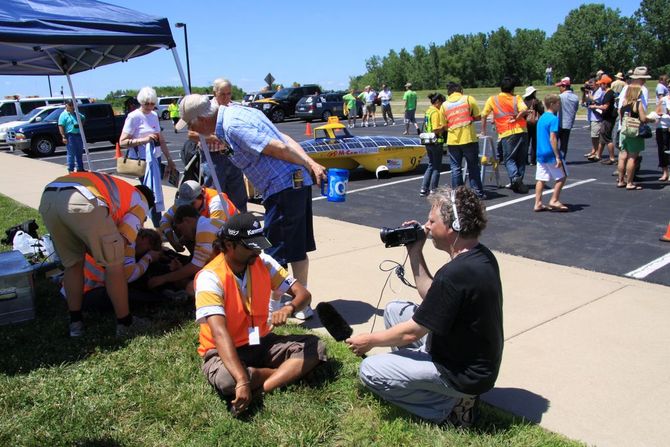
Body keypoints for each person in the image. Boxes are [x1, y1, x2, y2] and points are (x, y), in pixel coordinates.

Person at [346, 186, 503, 427]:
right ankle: (428, 381)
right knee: (395, 310)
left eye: (431, 221)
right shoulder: (480, 256)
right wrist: (415, 251)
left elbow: (412, 331)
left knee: (370, 370)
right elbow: (433, 295)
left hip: (463, 373)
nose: (426, 226)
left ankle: (448, 409)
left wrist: (370, 340)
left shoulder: (456, 273)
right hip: (465, 355)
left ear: (453, 228)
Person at [177, 93, 327, 320]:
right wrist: (308, 165)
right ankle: (302, 304)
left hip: (283, 187)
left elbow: (278, 146)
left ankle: (271, 310)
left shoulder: (233, 126)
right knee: (296, 247)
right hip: (294, 184)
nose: (192, 129)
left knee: (274, 252)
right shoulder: (237, 112)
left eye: (191, 124)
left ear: (201, 119)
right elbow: (284, 136)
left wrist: (310, 163)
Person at [194, 213, 327, 416]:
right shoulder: (209, 278)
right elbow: (219, 334)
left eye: (259, 245)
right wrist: (239, 380)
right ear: (229, 245)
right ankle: (281, 374)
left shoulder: (262, 262)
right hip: (223, 350)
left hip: (261, 341)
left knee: (315, 346)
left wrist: (289, 308)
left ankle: (260, 388)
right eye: (251, 246)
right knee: (226, 380)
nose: (257, 251)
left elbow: (304, 294)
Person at [38, 172, 155, 337]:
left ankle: (76, 324)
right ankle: (125, 323)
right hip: (84, 199)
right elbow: (120, 245)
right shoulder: (141, 202)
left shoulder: (123, 192)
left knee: (72, 264)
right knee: (114, 263)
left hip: (50, 196)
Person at [119, 87, 176, 227]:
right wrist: (143, 140)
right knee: (150, 193)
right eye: (147, 104)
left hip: (155, 158)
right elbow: (122, 142)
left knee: (154, 191)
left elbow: (160, 139)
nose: (150, 107)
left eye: (152, 104)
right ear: (141, 102)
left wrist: (169, 159)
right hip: (142, 161)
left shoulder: (154, 115)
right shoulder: (133, 117)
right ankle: (155, 225)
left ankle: (154, 224)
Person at [197, 78, 248, 213]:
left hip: (232, 155)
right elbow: (193, 134)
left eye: (229, 94)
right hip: (213, 157)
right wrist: (214, 137)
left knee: (238, 191)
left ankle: (240, 220)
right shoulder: (205, 110)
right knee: (214, 191)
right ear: (215, 93)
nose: (226, 97)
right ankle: (216, 220)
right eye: (222, 94)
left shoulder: (235, 108)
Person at [147, 205, 225, 293]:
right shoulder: (207, 223)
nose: (182, 235)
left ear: (186, 220)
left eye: (180, 230)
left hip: (232, 274)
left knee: (191, 287)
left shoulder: (204, 230)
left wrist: (163, 278)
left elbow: (195, 267)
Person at [480, 77, 531, 193]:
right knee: (521, 159)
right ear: (512, 89)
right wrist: (517, 117)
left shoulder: (493, 99)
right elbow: (524, 110)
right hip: (522, 131)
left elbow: (483, 115)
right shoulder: (516, 98)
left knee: (509, 159)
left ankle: (515, 178)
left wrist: (483, 131)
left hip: (507, 132)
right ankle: (518, 182)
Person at [159, 180, 238, 252]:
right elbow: (165, 220)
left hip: (231, 237)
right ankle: (196, 257)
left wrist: (187, 236)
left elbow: (213, 233)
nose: (188, 207)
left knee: (190, 226)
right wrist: (172, 241)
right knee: (179, 221)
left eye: (191, 204)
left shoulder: (216, 202)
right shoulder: (186, 201)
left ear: (202, 196)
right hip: (211, 232)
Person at [441, 82, 485, 198]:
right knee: (473, 167)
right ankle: (477, 194)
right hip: (468, 138)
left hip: (453, 140)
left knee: (455, 168)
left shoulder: (444, 105)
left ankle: (457, 196)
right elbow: (478, 116)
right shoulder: (468, 99)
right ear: (460, 90)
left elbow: (444, 125)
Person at [534, 94, 568, 212]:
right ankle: (554, 199)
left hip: (540, 153)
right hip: (550, 153)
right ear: (552, 104)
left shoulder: (542, 117)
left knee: (541, 178)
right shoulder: (554, 119)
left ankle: (538, 203)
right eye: (558, 103)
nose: (559, 106)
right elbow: (552, 138)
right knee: (562, 177)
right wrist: (557, 156)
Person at [618, 84, 651, 190]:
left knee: (622, 156)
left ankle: (621, 180)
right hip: (634, 132)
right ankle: (629, 182)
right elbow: (643, 118)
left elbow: (620, 116)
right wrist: (651, 119)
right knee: (632, 157)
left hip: (624, 132)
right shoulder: (637, 104)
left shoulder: (623, 103)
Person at [420, 93, 446, 197]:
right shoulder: (436, 112)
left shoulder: (428, 111)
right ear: (438, 102)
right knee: (436, 167)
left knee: (430, 165)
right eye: (442, 103)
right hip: (436, 141)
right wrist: (444, 127)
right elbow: (435, 129)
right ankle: (433, 189)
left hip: (428, 141)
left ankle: (424, 188)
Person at [590, 75, 617, 165]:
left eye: (601, 84)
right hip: (606, 118)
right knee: (602, 136)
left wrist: (595, 106)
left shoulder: (609, 94)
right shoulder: (608, 93)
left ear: (605, 84)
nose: (600, 86)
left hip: (608, 118)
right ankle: (598, 155)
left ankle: (612, 157)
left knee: (607, 138)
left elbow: (605, 107)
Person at [58, 100, 86, 173]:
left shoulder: (76, 113)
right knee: (71, 153)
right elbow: (61, 126)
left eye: (72, 105)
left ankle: (80, 168)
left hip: (78, 134)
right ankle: (71, 169)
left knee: (79, 152)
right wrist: (63, 136)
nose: (71, 106)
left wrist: (81, 125)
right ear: (66, 105)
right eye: (69, 105)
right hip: (70, 135)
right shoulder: (63, 115)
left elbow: (83, 118)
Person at [555, 77, 579, 160]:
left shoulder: (560, 97)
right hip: (568, 123)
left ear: (564, 87)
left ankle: (555, 159)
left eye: (560, 87)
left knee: (554, 142)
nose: (559, 89)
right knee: (564, 144)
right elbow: (575, 109)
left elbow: (555, 109)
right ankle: (562, 160)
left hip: (559, 122)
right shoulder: (575, 97)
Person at [522, 86, 544, 166]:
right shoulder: (536, 101)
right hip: (534, 124)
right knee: (534, 142)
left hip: (525, 123)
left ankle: (524, 159)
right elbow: (542, 111)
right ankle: (533, 160)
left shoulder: (523, 102)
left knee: (526, 142)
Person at [584, 78, 605, 161]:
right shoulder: (592, 91)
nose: (590, 85)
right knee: (593, 136)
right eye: (589, 84)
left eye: (591, 83)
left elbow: (594, 100)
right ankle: (594, 150)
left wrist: (588, 93)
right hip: (591, 116)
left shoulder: (599, 91)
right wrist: (585, 93)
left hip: (597, 117)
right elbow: (586, 101)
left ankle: (597, 152)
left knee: (596, 135)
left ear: (597, 83)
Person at [655, 84, 670, 181]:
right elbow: (657, 112)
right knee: (663, 150)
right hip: (663, 127)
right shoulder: (663, 100)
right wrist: (659, 114)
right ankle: (665, 172)